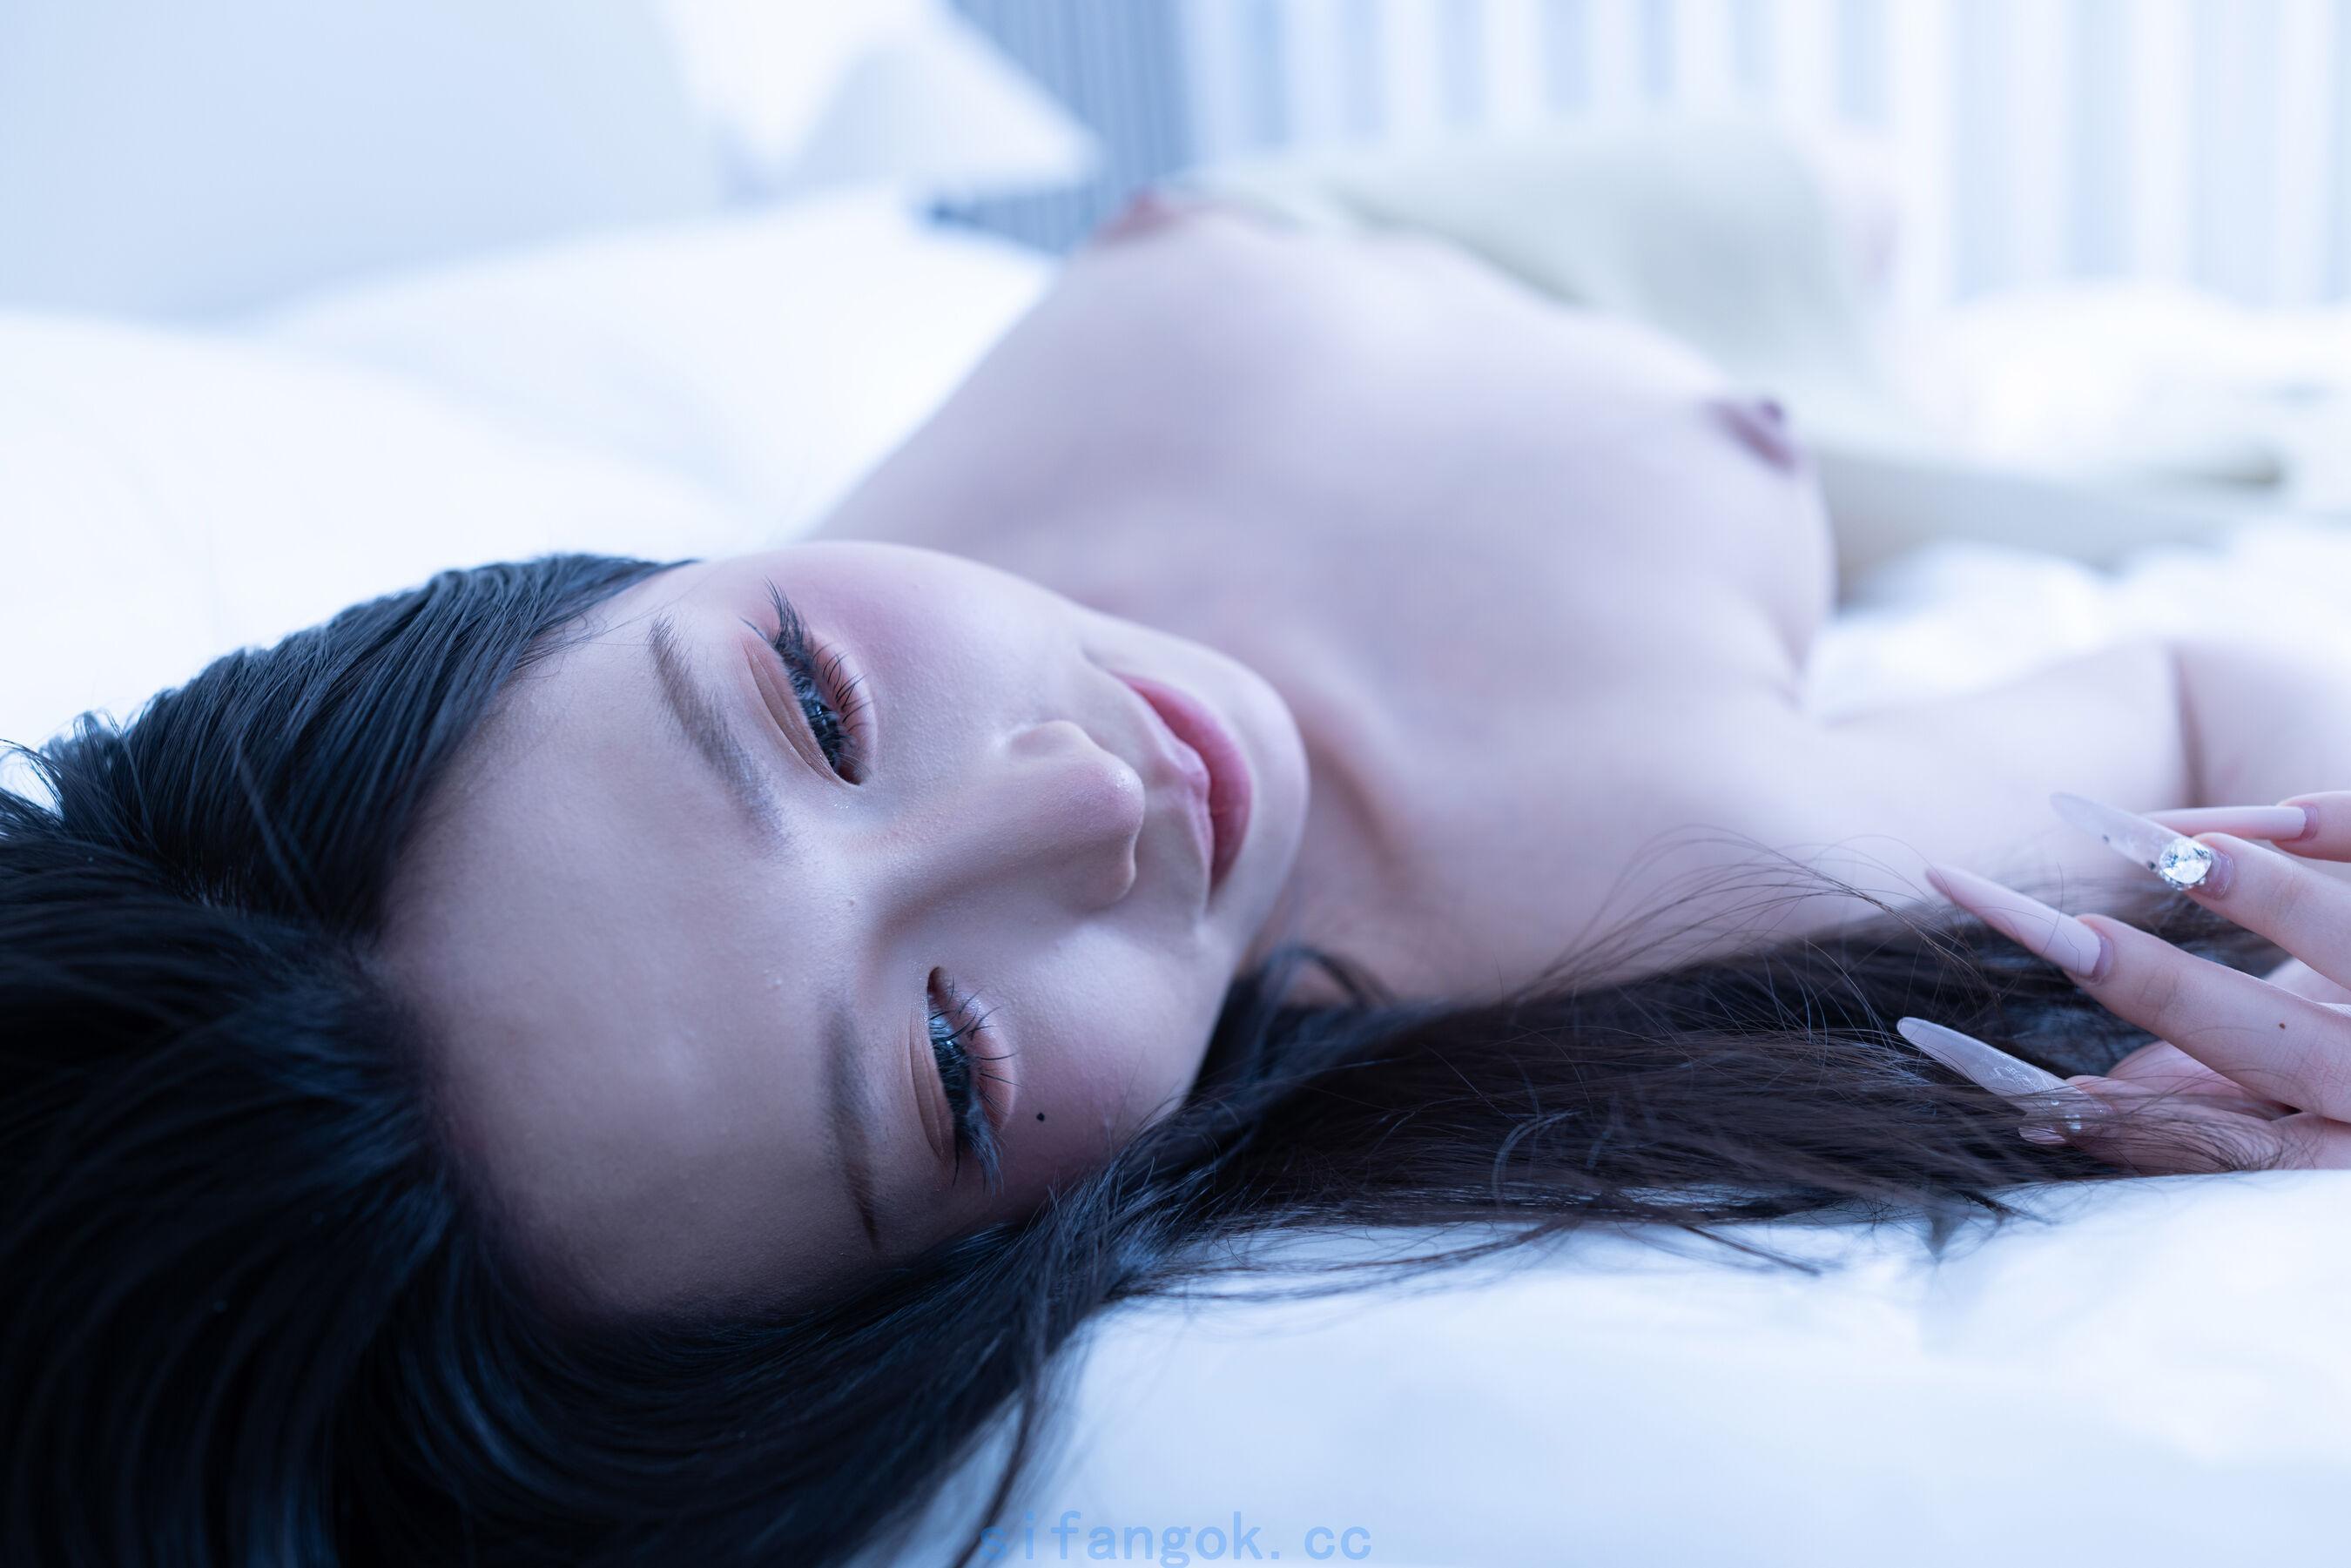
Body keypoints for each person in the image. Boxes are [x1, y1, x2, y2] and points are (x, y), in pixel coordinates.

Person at [4, 199, 2346, 1568]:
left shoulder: (609, 737)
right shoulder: (1676, 858)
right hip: (1729, 291)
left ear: (582, 587)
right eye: (951, 1061)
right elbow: (2217, 697)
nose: (1079, 802)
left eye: (815, 704)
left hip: (1360, 219)